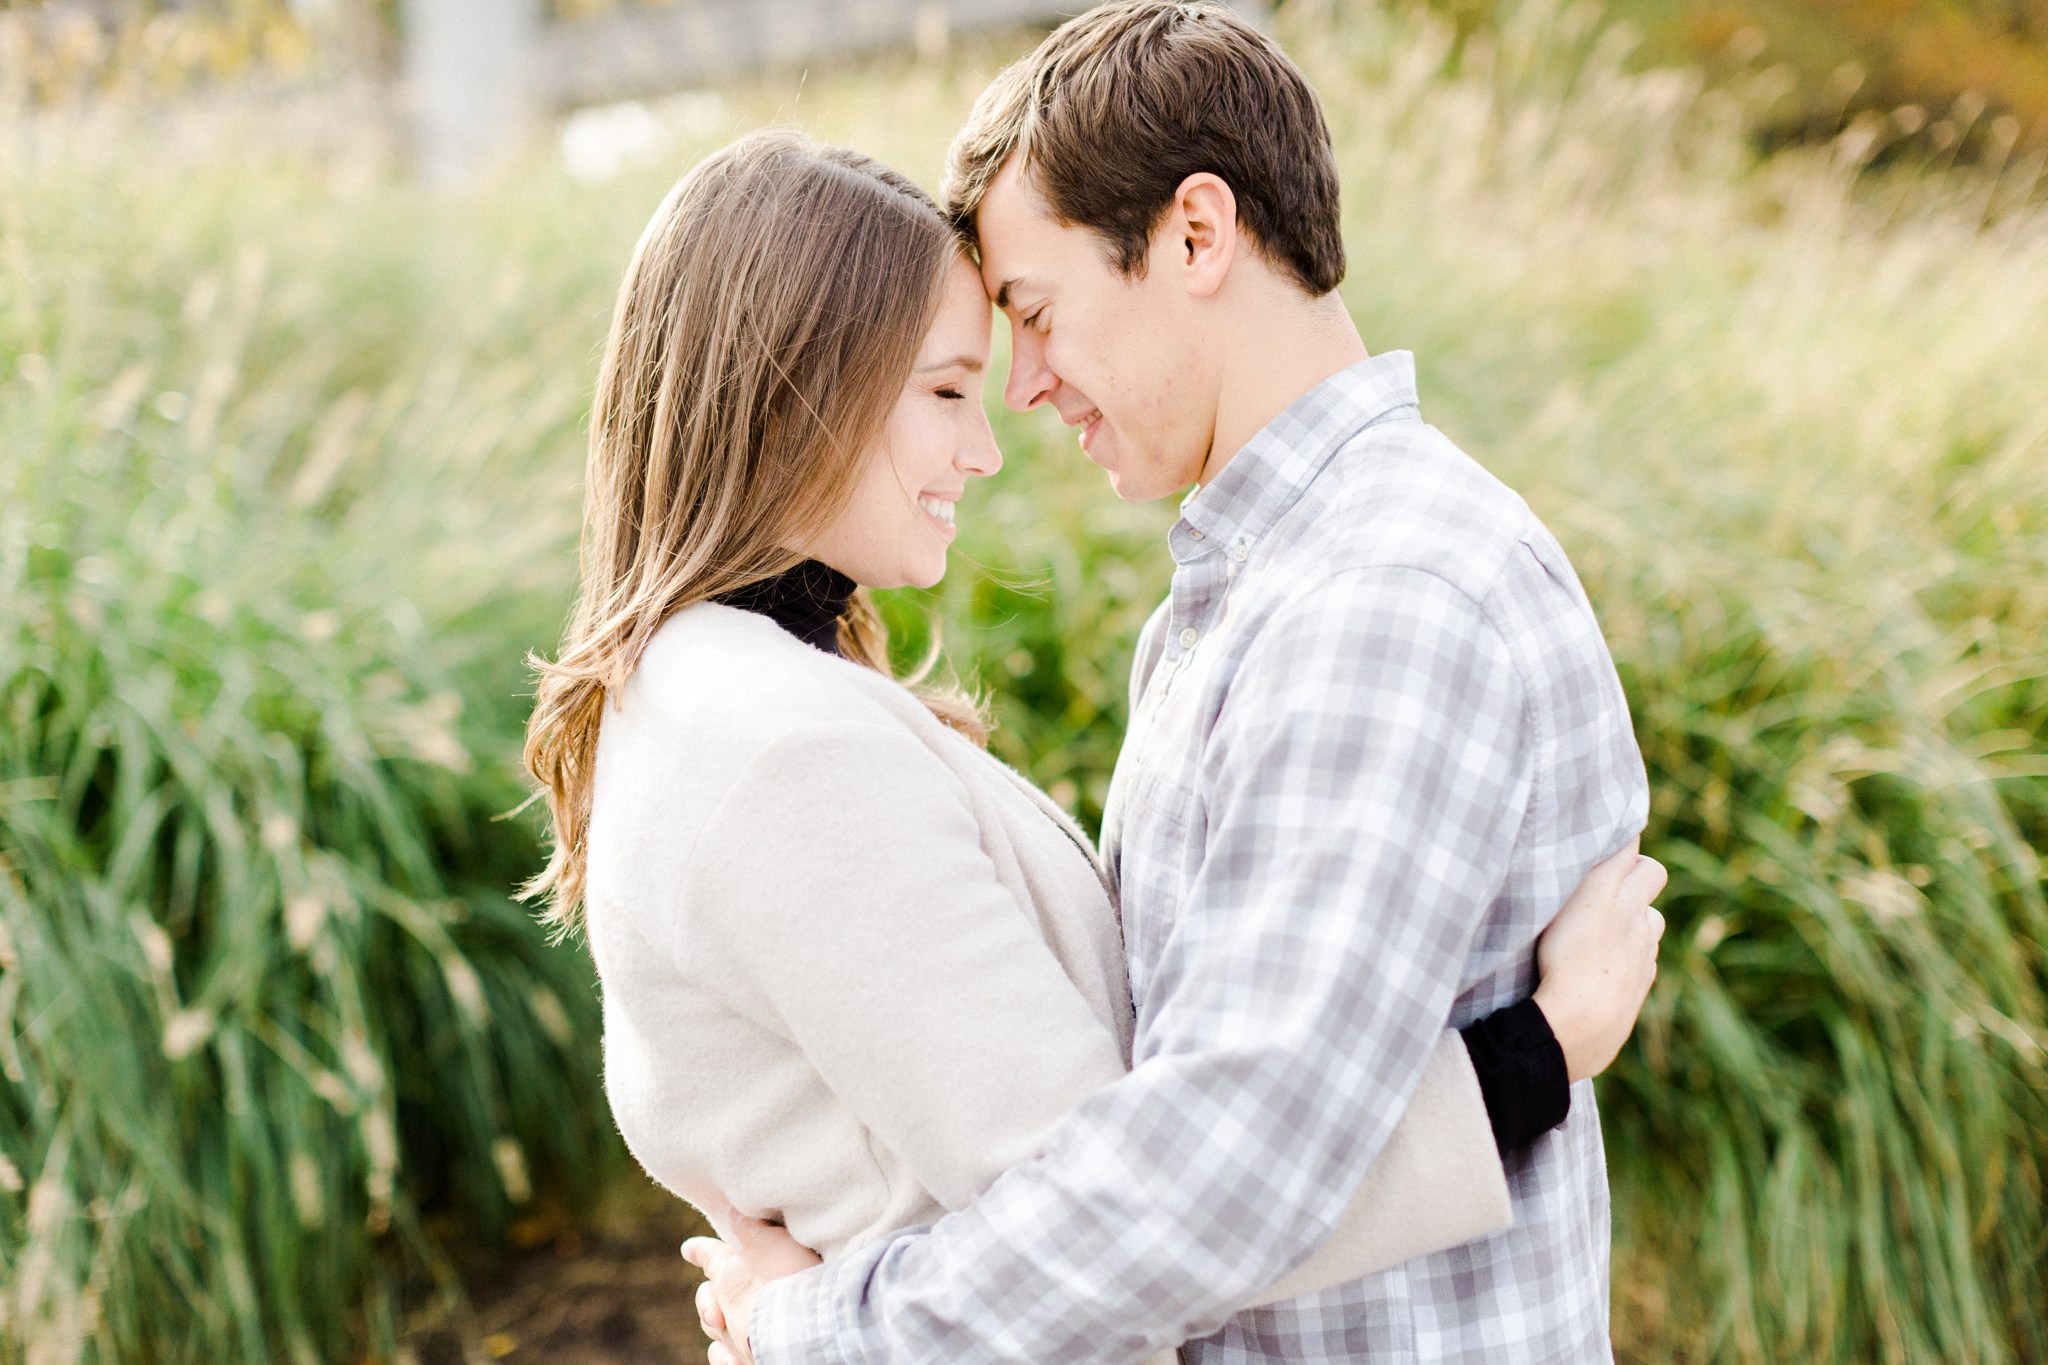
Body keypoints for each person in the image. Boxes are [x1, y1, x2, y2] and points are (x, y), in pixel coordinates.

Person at [523, 125, 1659, 1365]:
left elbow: (1139, 1195)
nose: (991, 437)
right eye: (948, 388)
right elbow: (1130, 1215)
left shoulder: (721, 698)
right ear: (793, 384)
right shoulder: (776, 746)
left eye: (1021, 334)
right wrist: (1524, 1064)